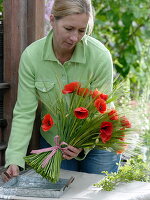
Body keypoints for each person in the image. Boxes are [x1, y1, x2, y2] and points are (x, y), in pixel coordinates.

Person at [2, 0, 121, 182]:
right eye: (69, 28)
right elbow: (24, 112)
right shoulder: (32, 57)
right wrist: (14, 159)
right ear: (52, 20)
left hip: (98, 140)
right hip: (55, 141)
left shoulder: (99, 56)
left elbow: (101, 110)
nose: (74, 38)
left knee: (98, 191)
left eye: (82, 31)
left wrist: (83, 144)